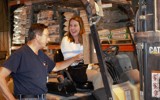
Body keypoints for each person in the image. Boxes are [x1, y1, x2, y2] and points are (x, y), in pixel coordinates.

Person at [0, 23, 83, 100]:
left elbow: (56, 67)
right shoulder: (20, 54)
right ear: (38, 36)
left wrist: (74, 58)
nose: (49, 39)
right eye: (46, 35)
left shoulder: (40, 54)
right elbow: (1, 76)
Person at [61, 15, 104, 90]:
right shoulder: (66, 40)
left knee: (107, 72)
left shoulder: (86, 39)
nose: (72, 28)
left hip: (86, 67)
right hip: (74, 70)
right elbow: (71, 60)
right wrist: (84, 57)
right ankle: (101, 96)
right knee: (99, 76)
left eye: (75, 25)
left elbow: (92, 57)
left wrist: (96, 46)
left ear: (80, 27)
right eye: (71, 26)